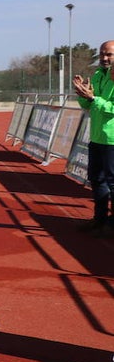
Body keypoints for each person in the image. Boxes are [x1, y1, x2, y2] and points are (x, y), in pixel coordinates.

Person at [73, 40, 114, 236]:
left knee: (112, 183)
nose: (105, 58)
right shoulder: (98, 74)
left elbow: (109, 106)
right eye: (102, 54)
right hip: (97, 137)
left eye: (109, 55)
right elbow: (89, 105)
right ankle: (99, 220)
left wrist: (93, 98)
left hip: (112, 139)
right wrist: (82, 94)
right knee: (96, 179)